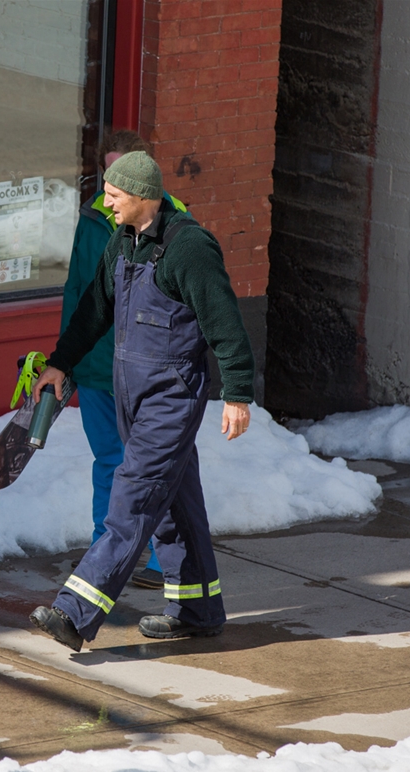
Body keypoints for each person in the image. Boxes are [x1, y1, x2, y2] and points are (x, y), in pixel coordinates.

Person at [29, 152, 253, 650]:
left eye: (114, 195)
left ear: (143, 196)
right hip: (133, 395)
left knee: (132, 499)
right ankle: (198, 609)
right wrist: (61, 363)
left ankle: (75, 613)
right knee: (176, 504)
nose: (106, 203)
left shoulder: (188, 248)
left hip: (171, 400)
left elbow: (225, 323)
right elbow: (93, 309)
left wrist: (236, 394)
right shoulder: (124, 241)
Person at [63, 130, 190, 590]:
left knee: (153, 466)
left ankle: (161, 558)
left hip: (148, 369)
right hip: (98, 366)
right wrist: (65, 359)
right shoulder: (92, 217)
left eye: (124, 173)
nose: (113, 185)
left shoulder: (177, 223)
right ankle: (104, 550)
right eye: (108, 172)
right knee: (108, 460)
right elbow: (79, 291)